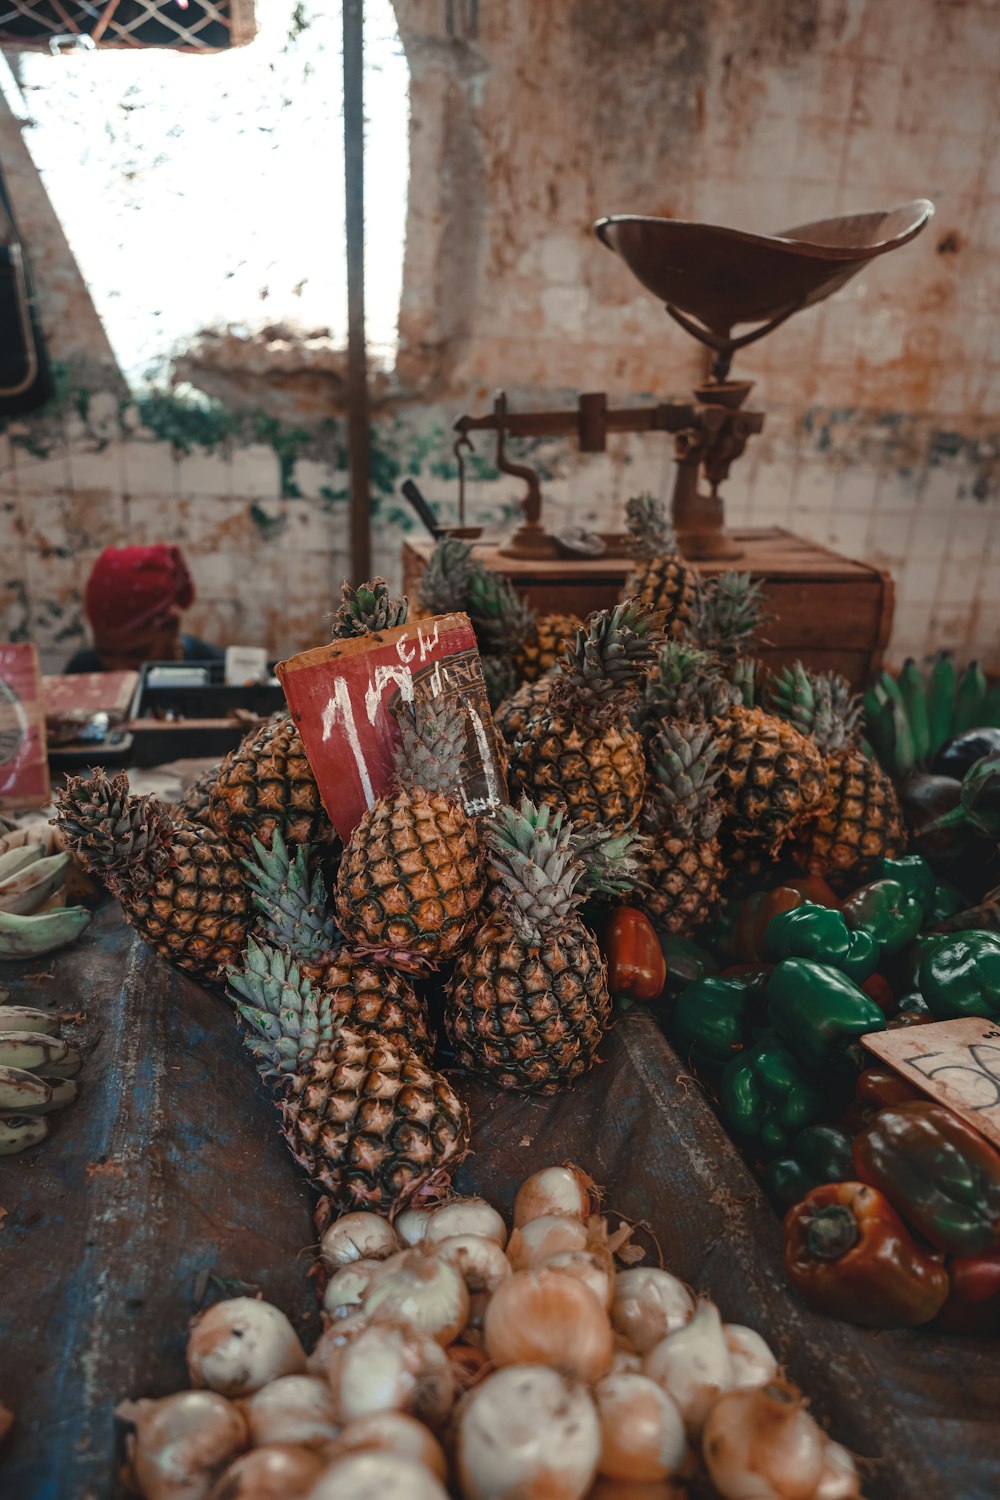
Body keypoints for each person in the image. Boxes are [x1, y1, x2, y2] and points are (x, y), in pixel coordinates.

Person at [64, 544, 224, 673]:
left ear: (172, 628)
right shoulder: (83, 673)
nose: (119, 670)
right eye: (106, 653)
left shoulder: (220, 674)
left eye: (136, 653)